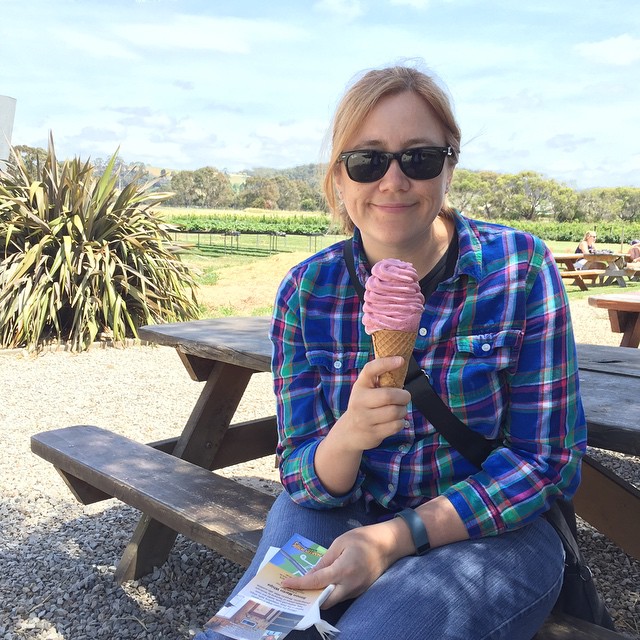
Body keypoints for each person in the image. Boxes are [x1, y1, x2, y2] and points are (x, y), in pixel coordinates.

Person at [203, 64, 586, 640]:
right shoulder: (308, 290)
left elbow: (547, 464)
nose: (393, 180)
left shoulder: (520, 268)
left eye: (420, 158)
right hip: (343, 502)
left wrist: (390, 540)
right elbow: (302, 475)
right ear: (339, 177)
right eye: (368, 160)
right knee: (252, 635)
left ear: (449, 166)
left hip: (490, 525)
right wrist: (349, 435)